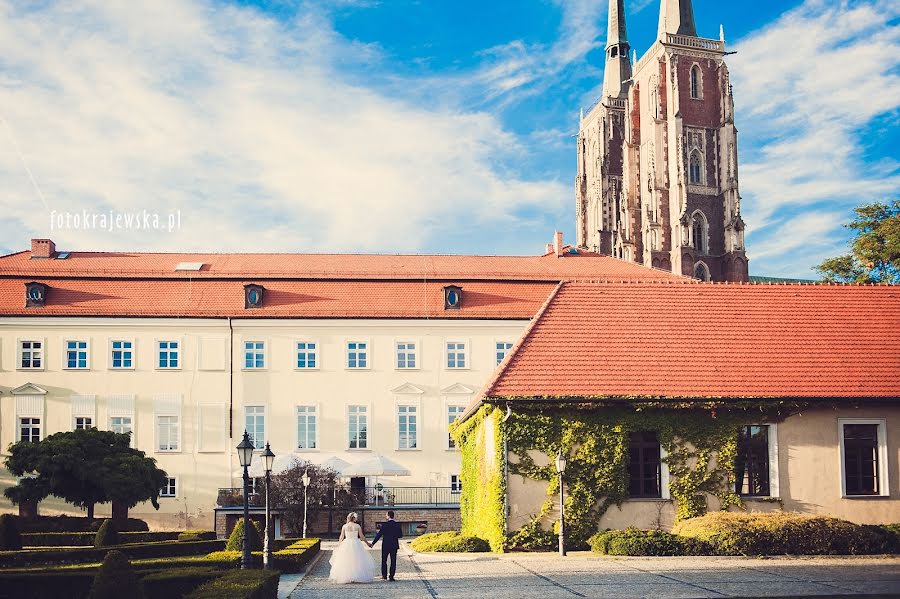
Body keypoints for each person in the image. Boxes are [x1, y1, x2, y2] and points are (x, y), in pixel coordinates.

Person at [329, 512, 376, 584]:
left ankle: (348, 577)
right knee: (357, 560)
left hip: (346, 544)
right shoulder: (357, 526)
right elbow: (362, 536)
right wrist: (367, 543)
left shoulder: (345, 526)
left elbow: (341, 537)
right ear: (353, 518)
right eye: (356, 518)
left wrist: (339, 545)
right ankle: (355, 576)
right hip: (356, 544)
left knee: (346, 560)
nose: (356, 519)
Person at [371, 510, 403, 581]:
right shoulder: (397, 525)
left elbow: (379, 535)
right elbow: (400, 535)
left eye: (386, 515)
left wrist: (373, 543)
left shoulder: (384, 525)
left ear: (388, 516)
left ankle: (384, 575)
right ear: (393, 516)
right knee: (393, 561)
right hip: (394, 545)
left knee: (384, 560)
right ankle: (391, 576)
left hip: (385, 545)